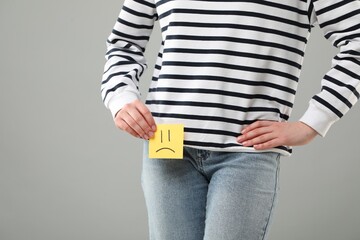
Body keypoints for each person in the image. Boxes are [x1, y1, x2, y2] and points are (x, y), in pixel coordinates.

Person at [101, 0, 360, 239]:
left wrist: (314, 122)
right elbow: (123, 43)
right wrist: (120, 98)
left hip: (246, 150)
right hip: (167, 145)